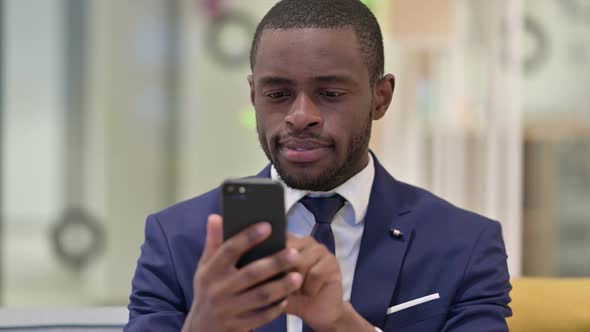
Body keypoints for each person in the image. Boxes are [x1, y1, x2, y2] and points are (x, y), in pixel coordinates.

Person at [125, 0, 512, 331]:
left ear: (381, 98)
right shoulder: (176, 241)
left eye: (329, 93)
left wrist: (342, 323)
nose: (300, 116)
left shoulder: (465, 246)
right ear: (253, 95)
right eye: (277, 93)